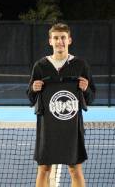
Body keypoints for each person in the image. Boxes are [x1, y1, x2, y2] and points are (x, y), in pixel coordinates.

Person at [27, 23, 96, 187]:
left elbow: (92, 97)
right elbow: (30, 97)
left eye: (63, 38)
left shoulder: (80, 65)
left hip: (72, 129)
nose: (60, 41)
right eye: (56, 38)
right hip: (47, 128)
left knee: (75, 170)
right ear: (50, 41)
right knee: (43, 170)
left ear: (69, 40)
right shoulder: (41, 66)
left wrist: (86, 89)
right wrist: (33, 89)